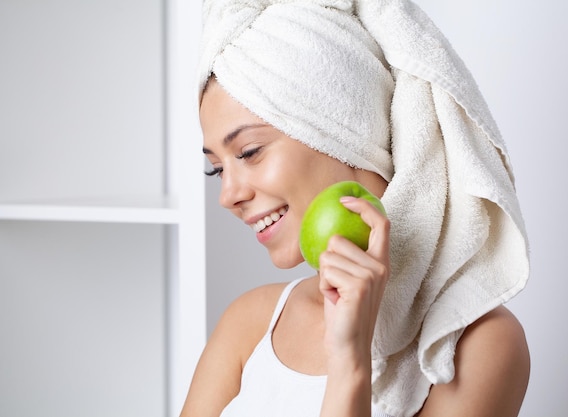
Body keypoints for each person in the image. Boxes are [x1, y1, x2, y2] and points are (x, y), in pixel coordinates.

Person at [181, 1, 531, 416]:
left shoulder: (474, 346)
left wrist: (350, 361)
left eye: (250, 151)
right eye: (216, 169)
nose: (228, 195)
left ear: (343, 132)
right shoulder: (249, 324)